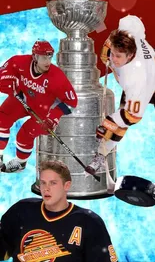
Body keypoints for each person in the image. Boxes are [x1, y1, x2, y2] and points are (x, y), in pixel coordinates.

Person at [0, 160, 118, 262]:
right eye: (43, 183)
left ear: (66, 186)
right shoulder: (21, 210)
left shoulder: (89, 222)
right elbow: (3, 252)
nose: (46, 188)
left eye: (53, 183)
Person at [86, 15, 155, 174]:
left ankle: (101, 153)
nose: (113, 59)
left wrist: (108, 123)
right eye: (113, 54)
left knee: (122, 123)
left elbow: (132, 117)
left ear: (130, 56)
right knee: (116, 125)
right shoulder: (129, 33)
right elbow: (130, 22)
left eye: (118, 57)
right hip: (146, 75)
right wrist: (107, 51)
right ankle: (101, 156)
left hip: (150, 87)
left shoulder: (135, 81)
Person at [0, 40, 78, 173]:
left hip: (43, 112)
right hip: (22, 98)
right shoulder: (18, 62)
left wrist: (53, 118)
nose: (47, 61)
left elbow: (72, 102)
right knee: (2, 119)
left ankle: (20, 163)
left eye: (49, 57)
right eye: (43, 57)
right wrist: (5, 84)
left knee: (24, 134)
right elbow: (3, 74)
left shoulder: (57, 77)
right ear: (35, 56)